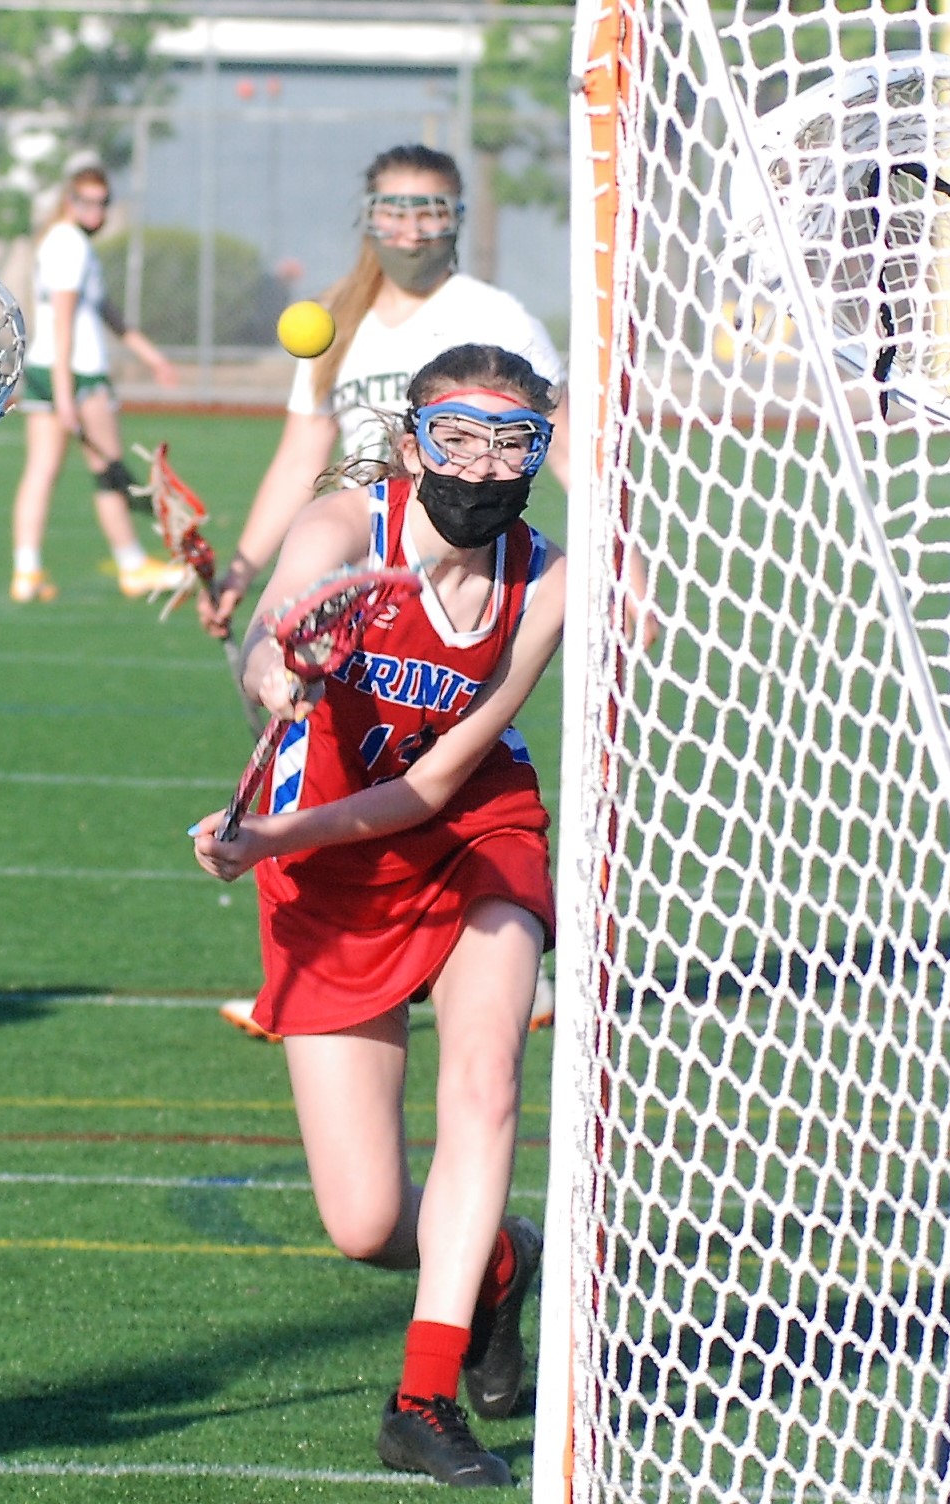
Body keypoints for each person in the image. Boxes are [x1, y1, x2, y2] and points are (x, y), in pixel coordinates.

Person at [190, 344, 565, 1488]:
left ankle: (422, 1396)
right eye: (457, 435)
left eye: (512, 442)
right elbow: (271, 629)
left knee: (484, 1079)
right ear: (412, 442)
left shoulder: (543, 579)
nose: (483, 463)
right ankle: (498, 1259)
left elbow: (436, 786)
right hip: (329, 864)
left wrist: (268, 840)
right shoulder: (346, 525)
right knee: (360, 1223)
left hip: (466, 828)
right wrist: (269, 677)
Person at [198, 144, 569, 638]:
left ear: (456, 219)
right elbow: (298, 461)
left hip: (457, 564)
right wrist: (242, 570)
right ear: (369, 218)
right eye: (394, 212)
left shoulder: (497, 317)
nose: (411, 233)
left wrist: (620, 561)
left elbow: (563, 446)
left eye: (430, 213)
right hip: (361, 555)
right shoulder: (335, 317)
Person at [8, 155, 184, 604]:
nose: (97, 213)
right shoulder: (69, 245)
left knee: (44, 471)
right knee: (108, 471)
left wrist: (152, 358)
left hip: (48, 368)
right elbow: (65, 321)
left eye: (103, 203)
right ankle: (131, 565)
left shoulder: (62, 242)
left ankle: (26, 572)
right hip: (76, 374)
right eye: (87, 202)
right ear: (69, 200)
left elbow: (108, 315)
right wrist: (67, 395)